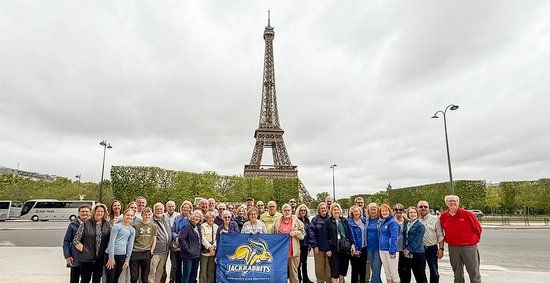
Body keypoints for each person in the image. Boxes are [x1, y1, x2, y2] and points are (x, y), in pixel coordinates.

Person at [440, 195, 482, 283]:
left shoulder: (467, 214)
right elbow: (441, 230)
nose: (452, 203)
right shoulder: (443, 216)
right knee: (457, 273)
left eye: (454, 201)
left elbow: (477, 228)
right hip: (453, 247)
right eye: (450, 201)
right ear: (446, 203)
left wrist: (472, 240)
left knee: (473, 272)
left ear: (458, 202)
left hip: (469, 246)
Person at [73, 203, 112, 283]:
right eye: (98, 211)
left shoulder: (107, 224)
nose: (100, 213)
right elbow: (76, 240)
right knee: (85, 279)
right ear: (94, 212)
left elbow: (110, 240)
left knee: (97, 279)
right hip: (86, 258)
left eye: (102, 212)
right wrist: (85, 250)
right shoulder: (86, 223)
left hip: (100, 258)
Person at [273, 203, 305, 283]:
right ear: (282, 211)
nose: (287, 212)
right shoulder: (277, 221)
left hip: (293, 251)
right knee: (280, 273)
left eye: (288, 210)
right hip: (280, 252)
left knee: (294, 274)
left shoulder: (296, 220)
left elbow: (303, 234)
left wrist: (295, 233)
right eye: (285, 210)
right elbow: (272, 234)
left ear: (291, 211)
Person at [105, 209, 136, 283]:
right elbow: (112, 242)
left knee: (116, 279)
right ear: (124, 216)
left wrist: (127, 259)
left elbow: (130, 245)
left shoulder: (132, 230)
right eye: (128, 215)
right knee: (110, 279)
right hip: (112, 255)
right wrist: (111, 258)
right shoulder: (117, 227)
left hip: (122, 255)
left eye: (131, 216)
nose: (129, 217)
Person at [417, 200, 444, 283]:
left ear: (428, 208)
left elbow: (440, 235)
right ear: (417, 208)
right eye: (421, 207)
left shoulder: (435, 219)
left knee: (434, 271)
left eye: (425, 206)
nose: (423, 208)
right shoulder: (415, 220)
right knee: (420, 272)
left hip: (432, 248)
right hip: (419, 249)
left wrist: (441, 249)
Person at [325, 203, 354, 283]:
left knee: (343, 267)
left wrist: (352, 244)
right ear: (331, 211)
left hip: (344, 247)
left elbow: (349, 233)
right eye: (334, 210)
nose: (336, 211)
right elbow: (325, 236)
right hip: (334, 248)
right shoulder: (328, 222)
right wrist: (327, 249)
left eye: (338, 209)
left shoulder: (344, 220)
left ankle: (341, 281)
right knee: (334, 268)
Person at [63, 204, 91, 283]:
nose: (84, 213)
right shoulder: (72, 225)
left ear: (90, 213)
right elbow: (66, 241)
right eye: (82, 211)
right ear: (78, 213)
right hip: (75, 256)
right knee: (74, 278)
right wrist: (67, 255)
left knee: (86, 278)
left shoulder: (92, 224)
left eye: (86, 211)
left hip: (88, 257)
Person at [130, 207, 157, 283]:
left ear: (151, 215)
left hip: (146, 251)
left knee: (145, 277)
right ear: (142, 215)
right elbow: (133, 240)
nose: (147, 216)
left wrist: (151, 251)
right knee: (134, 276)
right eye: (145, 214)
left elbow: (154, 239)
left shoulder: (153, 226)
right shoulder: (136, 226)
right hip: (136, 251)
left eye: (149, 214)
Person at [401, 207, 427, 283]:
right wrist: (404, 249)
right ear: (408, 214)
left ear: (417, 214)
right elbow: (404, 237)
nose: (413, 214)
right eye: (411, 212)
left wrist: (408, 249)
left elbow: (417, 240)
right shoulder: (407, 224)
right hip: (407, 253)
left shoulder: (420, 226)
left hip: (417, 253)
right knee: (406, 275)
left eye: (414, 212)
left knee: (420, 275)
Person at [308, 202, 331, 283]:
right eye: (321, 208)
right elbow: (311, 233)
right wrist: (314, 245)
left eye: (324, 208)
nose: (323, 210)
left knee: (329, 266)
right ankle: (320, 281)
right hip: (319, 246)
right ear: (319, 210)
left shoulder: (331, 219)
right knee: (319, 266)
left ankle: (329, 280)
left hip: (329, 247)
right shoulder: (315, 219)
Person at [149, 203, 172, 283]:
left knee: (160, 271)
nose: (159, 211)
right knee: (152, 272)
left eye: (161, 209)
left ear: (163, 210)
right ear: (154, 210)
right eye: (157, 209)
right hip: (155, 251)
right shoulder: (151, 220)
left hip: (165, 251)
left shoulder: (166, 219)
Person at [179, 210, 203, 283]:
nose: (197, 218)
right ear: (192, 217)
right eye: (196, 216)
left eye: (199, 217)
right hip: (188, 255)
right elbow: (181, 238)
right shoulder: (187, 226)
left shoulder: (198, 227)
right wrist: (187, 249)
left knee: (193, 273)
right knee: (187, 274)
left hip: (196, 254)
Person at [379, 204, 401, 283]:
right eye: (383, 211)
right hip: (382, 249)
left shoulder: (393, 222)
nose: (384, 212)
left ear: (389, 211)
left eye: (386, 210)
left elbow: (394, 237)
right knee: (387, 273)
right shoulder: (384, 222)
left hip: (390, 250)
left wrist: (392, 251)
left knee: (394, 273)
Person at [172, 200, 192, 283]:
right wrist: (176, 237)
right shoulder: (177, 218)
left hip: (188, 245)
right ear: (181, 208)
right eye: (184, 207)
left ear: (190, 209)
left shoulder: (192, 217)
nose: (186, 209)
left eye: (188, 207)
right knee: (178, 266)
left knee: (187, 267)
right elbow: (173, 230)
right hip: (178, 245)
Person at [348, 205, 367, 283]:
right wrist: (355, 249)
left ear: (360, 212)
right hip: (355, 248)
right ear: (352, 212)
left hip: (364, 247)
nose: (356, 213)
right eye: (354, 211)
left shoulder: (364, 220)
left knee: (363, 268)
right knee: (355, 269)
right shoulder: (349, 222)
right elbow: (351, 236)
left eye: (357, 211)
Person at [162, 200, 180, 283]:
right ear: (166, 207)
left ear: (175, 207)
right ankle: (162, 279)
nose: (171, 208)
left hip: (175, 242)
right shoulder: (162, 216)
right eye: (169, 206)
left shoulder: (178, 216)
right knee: (162, 263)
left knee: (174, 263)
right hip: (164, 242)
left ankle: (172, 279)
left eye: (172, 206)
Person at [296, 204, 313, 283]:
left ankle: (306, 278)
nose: (303, 212)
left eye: (304, 210)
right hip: (299, 243)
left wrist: (310, 243)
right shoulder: (296, 220)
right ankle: (299, 278)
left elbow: (309, 232)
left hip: (306, 244)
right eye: (301, 210)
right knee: (298, 262)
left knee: (304, 262)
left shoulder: (307, 220)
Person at [200, 211, 218, 283]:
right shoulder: (202, 226)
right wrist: (209, 246)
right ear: (206, 218)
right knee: (203, 270)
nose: (211, 219)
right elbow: (202, 238)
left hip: (213, 251)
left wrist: (214, 246)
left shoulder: (216, 226)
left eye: (212, 218)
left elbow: (218, 238)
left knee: (211, 270)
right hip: (205, 252)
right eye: (209, 218)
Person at [366, 202, 382, 283]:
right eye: (371, 209)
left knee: (376, 268)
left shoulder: (381, 220)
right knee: (374, 268)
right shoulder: (366, 220)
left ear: (377, 210)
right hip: (369, 247)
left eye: (374, 209)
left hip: (378, 247)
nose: (373, 211)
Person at [393, 203, 408, 283]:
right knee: (396, 271)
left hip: (404, 249)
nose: (398, 211)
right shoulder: (390, 221)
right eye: (396, 209)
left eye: (401, 209)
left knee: (405, 270)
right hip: (394, 249)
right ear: (393, 211)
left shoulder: (407, 222)